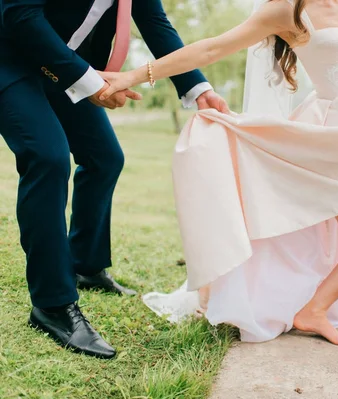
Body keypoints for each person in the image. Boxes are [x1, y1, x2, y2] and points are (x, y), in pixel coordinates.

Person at [101, 0, 338, 397]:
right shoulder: (287, 9)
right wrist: (134, 73)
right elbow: (212, 48)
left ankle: (314, 310)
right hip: (332, 146)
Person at [0, 0, 228, 359]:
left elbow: (155, 22)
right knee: (48, 158)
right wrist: (90, 82)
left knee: (105, 158)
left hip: (61, 64)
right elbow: (19, 15)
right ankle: (53, 304)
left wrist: (198, 88)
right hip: (9, 55)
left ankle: (86, 266)